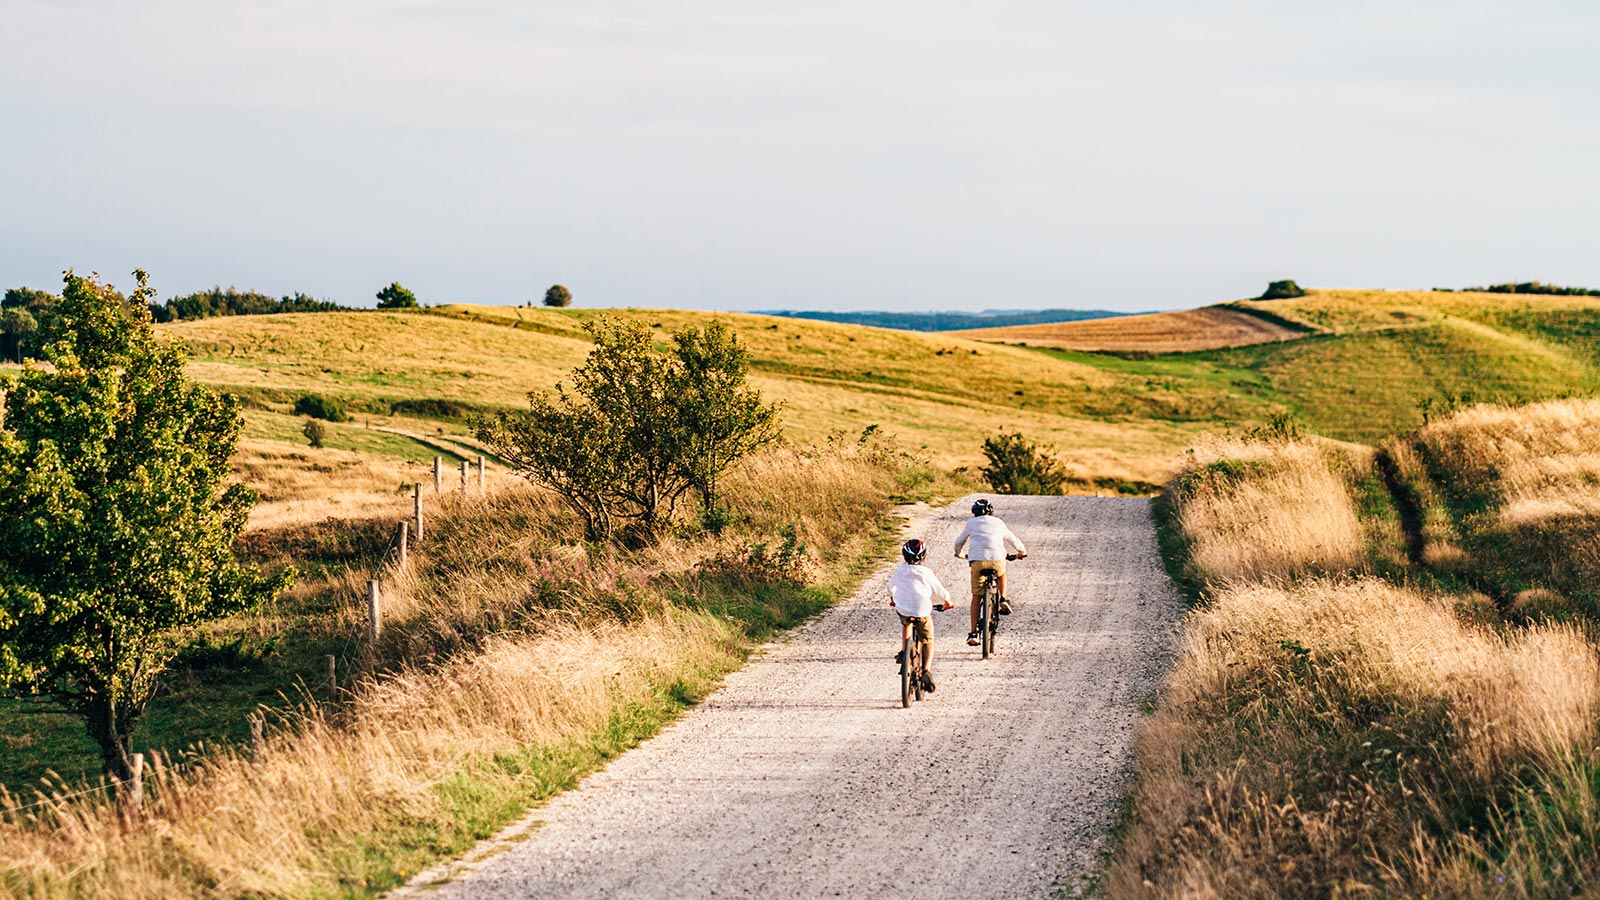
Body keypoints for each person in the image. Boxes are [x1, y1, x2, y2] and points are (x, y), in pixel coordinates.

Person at [952, 498, 1027, 646]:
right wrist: (1021, 552)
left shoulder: (971, 524)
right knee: (1001, 573)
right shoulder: (998, 522)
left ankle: (973, 633)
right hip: (997, 559)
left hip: (977, 561)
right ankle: (1004, 598)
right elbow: (1013, 539)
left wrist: (959, 553)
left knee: (976, 596)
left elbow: (958, 542)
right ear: (991, 511)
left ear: (974, 513)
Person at [887, 538, 954, 692]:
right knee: (928, 638)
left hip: (902, 607)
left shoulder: (899, 571)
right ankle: (926, 670)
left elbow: (890, 587)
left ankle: (904, 651)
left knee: (906, 622)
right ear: (924, 556)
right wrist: (948, 601)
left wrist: (893, 598)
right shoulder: (926, 572)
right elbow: (939, 590)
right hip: (922, 609)